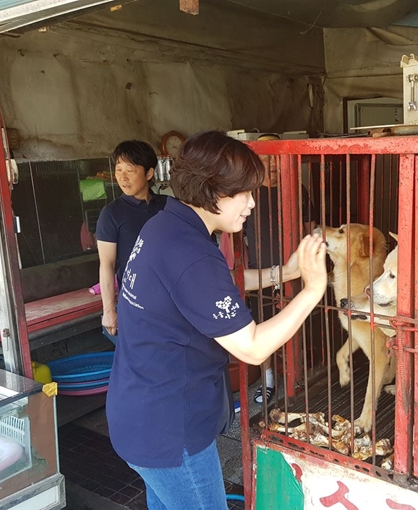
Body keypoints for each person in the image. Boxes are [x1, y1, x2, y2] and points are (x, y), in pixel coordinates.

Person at [105, 130, 327, 510]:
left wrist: (284, 272)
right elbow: (252, 347)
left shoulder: (163, 227)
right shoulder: (189, 251)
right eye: (243, 193)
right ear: (212, 191)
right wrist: (311, 291)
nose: (252, 204)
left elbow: (211, 287)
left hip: (138, 415)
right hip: (172, 432)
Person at [245, 133, 317, 404]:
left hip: (294, 273)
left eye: (277, 158)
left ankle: (296, 379)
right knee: (262, 327)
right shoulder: (248, 193)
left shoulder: (296, 189)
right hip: (260, 275)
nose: (273, 164)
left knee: (295, 325)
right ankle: (268, 380)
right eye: (266, 158)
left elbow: (310, 230)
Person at [95, 141, 167, 344]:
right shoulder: (112, 213)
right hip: (134, 306)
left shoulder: (167, 206)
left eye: (130, 170)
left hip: (169, 303)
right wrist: (108, 310)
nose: (122, 177)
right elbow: (107, 265)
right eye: (118, 170)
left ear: (149, 173)